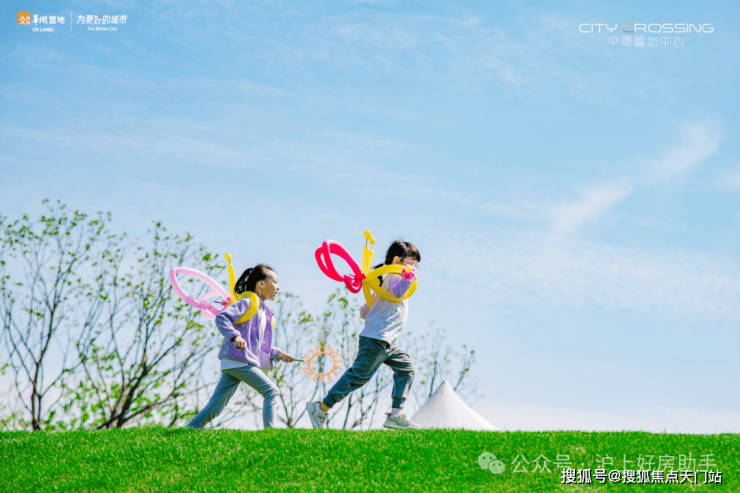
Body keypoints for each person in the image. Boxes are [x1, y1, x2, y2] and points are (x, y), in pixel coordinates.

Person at [306, 240, 421, 430]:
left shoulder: (382, 282)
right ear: (396, 261)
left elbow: (364, 312)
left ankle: (396, 415)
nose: (414, 267)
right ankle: (321, 408)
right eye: (411, 262)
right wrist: (408, 278)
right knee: (358, 376)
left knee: (406, 369)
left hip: (387, 341)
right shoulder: (395, 277)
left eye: (416, 264)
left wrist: (372, 304)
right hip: (377, 338)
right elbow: (398, 293)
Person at [187, 264, 294, 429]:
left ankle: (189, 429)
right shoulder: (247, 302)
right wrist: (235, 336)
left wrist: (277, 353)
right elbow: (222, 317)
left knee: (215, 407)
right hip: (239, 360)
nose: (278, 287)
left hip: (235, 361)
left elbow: (255, 346)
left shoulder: (263, 312)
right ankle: (270, 433)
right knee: (271, 391)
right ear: (261, 284)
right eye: (275, 281)